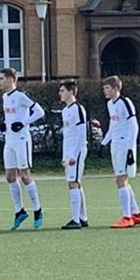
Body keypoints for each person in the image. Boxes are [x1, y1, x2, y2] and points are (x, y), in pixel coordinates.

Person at [0, 68, 45, 229]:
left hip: (21, 140)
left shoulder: (20, 96)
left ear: (11, 79)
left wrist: (23, 122)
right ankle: (19, 211)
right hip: (9, 140)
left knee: (25, 175)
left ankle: (38, 210)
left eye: (2, 78)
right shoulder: (5, 97)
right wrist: (5, 124)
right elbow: (10, 116)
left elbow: (39, 111)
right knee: (10, 176)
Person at [103, 76, 140, 229]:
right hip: (115, 144)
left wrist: (131, 147)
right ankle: (136, 214)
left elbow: (133, 124)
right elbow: (113, 125)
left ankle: (127, 217)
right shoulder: (110, 104)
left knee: (121, 179)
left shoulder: (125, 102)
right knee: (122, 179)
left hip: (125, 144)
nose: (105, 91)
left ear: (115, 88)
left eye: (107, 88)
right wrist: (104, 142)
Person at [58, 80, 90, 229]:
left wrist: (74, 155)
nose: (60, 93)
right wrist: (65, 155)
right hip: (69, 150)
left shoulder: (78, 109)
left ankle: (75, 219)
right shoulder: (65, 111)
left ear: (71, 92)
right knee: (75, 182)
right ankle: (83, 217)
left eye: (63, 91)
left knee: (73, 182)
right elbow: (67, 134)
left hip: (76, 150)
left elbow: (81, 133)